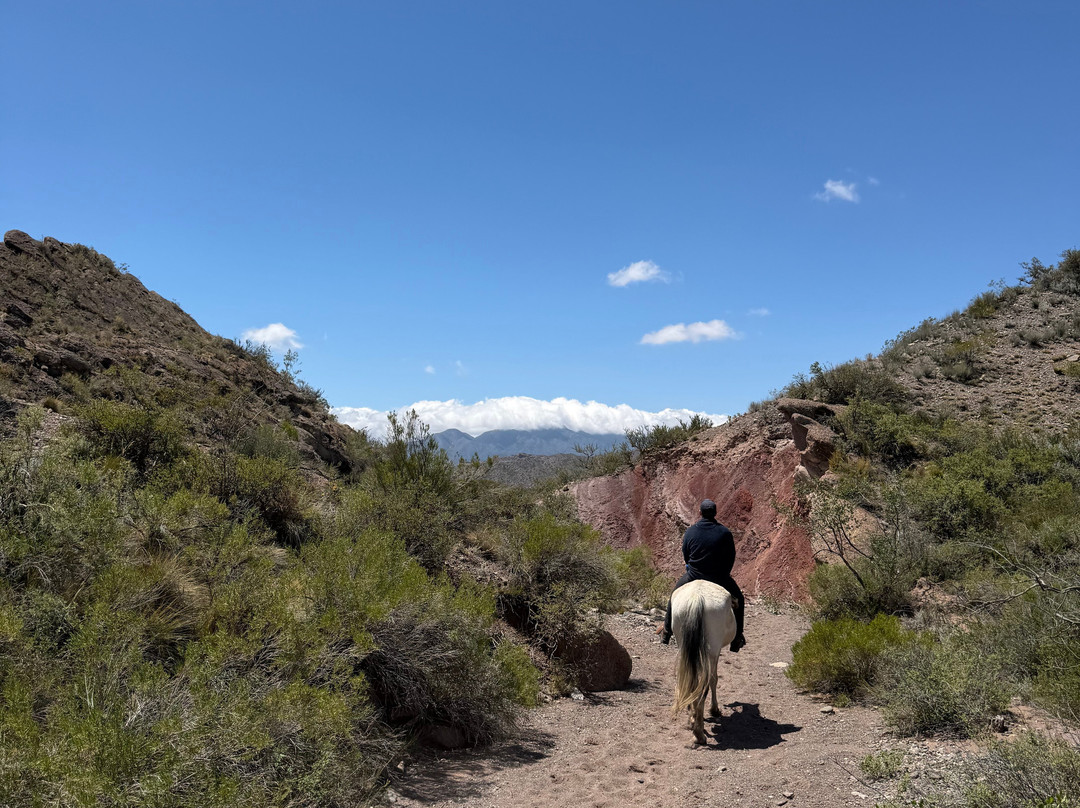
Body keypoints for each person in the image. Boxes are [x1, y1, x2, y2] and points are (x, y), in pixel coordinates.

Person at [660, 498, 747, 652]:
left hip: (693, 575)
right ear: (715, 513)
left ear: (700, 512)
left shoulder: (690, 531)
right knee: (739, 599)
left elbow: (686, 555)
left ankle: (666, 632)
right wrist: (724, 574)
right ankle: (737, 638)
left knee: (674, 595)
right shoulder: (725, 533)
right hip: (718, 577)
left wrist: (692, 568)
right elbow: (730, 557)